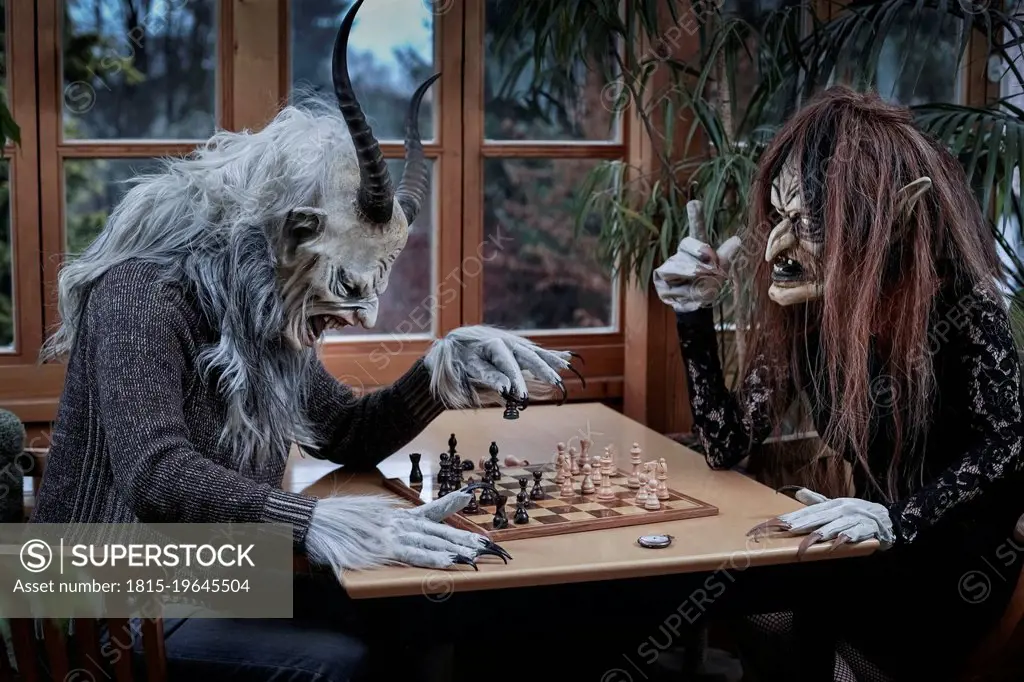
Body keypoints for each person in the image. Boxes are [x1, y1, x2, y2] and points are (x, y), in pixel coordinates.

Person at [29, 1, 580, 678]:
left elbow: (343, 431)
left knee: (425, 616)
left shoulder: (265, 311)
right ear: (292, 235)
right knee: (336, 662)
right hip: (99, 593)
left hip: (209, 575)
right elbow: (156, 472)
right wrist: (310, 523)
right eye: (351, 284)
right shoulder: (140, 293)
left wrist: (442, 366)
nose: (367, 317)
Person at [653, 86, 1024, 681]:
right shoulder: (810, 316)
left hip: (957, 565)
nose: (777, 244)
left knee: (827, 648)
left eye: (806, 222)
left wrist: (899, 519)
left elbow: (1009, 447)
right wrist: (693, 314)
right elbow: (726, 442)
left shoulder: (964, 304)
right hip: (865, 545)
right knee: (758, 605)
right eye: (779, 215)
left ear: (893, 219)